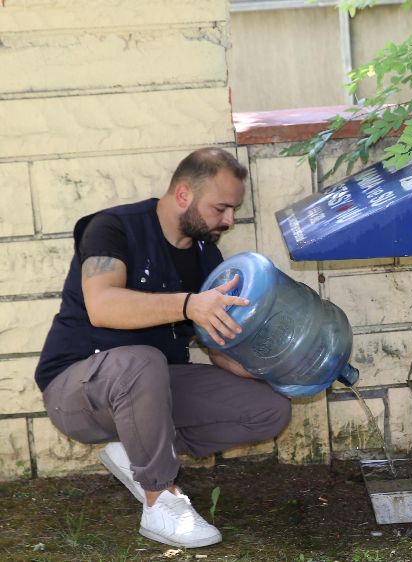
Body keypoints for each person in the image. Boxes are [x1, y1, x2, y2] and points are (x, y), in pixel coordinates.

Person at [34, 148, 292, 549]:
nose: (229, 220)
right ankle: (158, 499)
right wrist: (188, 303)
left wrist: (262, 370)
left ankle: (136, 453)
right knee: (142, 361)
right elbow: (102, 306)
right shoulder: (112, 227)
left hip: (153, 385)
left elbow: (215, 340)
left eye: (233, 210)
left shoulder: (208, 257)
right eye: (221, 208)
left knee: (268, 408)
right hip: (77, 386)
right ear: (185, 195)